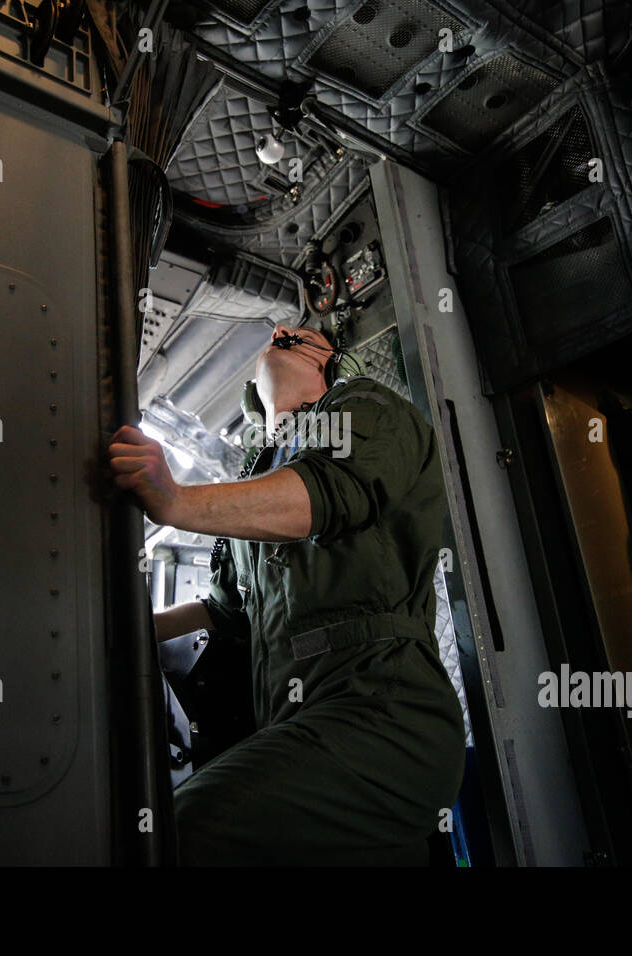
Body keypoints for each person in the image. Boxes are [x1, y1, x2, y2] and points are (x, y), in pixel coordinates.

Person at [106, 323, 465, 865]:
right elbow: (227, 613)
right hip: (294, 724)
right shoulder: (259, 471)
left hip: (380, 711)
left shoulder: (361, 404)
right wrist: (119, 632)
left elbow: (330, 492)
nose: (278, 332)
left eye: (295, 337)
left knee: (179, 833)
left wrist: (176, 500)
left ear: (328, 360)